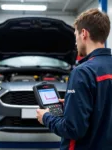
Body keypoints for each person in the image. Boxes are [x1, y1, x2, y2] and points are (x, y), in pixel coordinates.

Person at [36, 8, 112, 150]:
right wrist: (74, 105)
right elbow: (104, 106)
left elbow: (73, 129)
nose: (75, 42)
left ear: (84, 33)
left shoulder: (83, 72)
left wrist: (46, 117)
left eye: (75, 34)